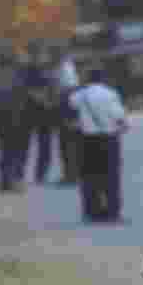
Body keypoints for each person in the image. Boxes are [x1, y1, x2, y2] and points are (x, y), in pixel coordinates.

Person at [69, 67, 129, 223]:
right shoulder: (110, 94)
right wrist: (123, 126)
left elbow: (71, 108)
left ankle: (92, 212)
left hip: (86, 140)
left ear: (87, 79)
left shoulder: (78, 96)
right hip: (108, 139)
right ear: (103, 79)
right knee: (111, 177)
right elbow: (119, 115)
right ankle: (112, 212)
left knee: (89, 177)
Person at [0, 42, 30, 193]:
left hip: (1, 118)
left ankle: (4, 181)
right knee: (15, 150)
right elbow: (21, 98)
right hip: (15, 118)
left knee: (4, 149)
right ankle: (14, 180)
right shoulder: (17, 77)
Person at [22, 41, 61, 185]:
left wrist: (52, 100)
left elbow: (54, 86)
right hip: (31, 110)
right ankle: (19, 173)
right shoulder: (26, 70)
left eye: (39, 53)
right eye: (35, 53)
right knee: (24, 144)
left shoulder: (47, 69)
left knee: (45, 144)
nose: (39, 56)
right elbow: (26, 89)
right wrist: (42, 98)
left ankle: (40, 174)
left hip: (46, 112)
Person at [53, 43, 82, 186]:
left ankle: (72, 174)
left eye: (55, 52)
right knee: (66, 143)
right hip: (65, 108)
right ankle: (70, 173)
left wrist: (68, 113)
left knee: (68, 143)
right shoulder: (61, 67)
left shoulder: (66, 68)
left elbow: (69, 90)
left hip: (68, 109)